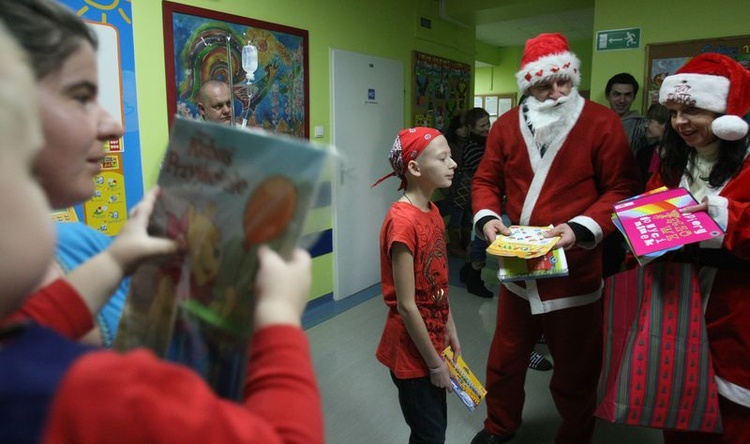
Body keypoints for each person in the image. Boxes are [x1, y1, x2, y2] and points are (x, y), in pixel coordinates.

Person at [0, 15, 323, 443]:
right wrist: (279, 316)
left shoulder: (17, 348)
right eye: (27, 175)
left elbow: (33, 324)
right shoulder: (92, 393)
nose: (112, 125)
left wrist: (117, 258)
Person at [470, 33, 641, 443]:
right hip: (519, 267)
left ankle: (577, 433)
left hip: (576, 270)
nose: (557, 93)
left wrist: (580, 228)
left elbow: (622, 188)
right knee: (505, 359)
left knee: (577, 367)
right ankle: (500, 426)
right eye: (545, 85)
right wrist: (489, 217)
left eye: (565, 81)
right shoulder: (507, 125)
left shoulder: (602, 123)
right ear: (527, 85)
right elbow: (486, 180)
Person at [647, 53, 750, 444]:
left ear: (726, 113)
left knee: (734, 415)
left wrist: (722, 217)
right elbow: (652, 206)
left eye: (693, 111)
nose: (679, 123)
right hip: (675, 303)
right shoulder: (674, 161)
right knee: (679, 404)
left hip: (735, 308)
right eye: (674, 112)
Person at [372, 127, 461, 443]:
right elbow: (407, 305)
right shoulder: (403, 222)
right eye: (443, 157)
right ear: (414, 167)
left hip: (433, 339)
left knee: (436, 427)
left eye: (450, 155)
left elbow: (438, 282)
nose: (453, 164)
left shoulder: (433, 211)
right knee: (429, 434)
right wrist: (435, 365)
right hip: (411, 352)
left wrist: (449, 328)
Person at [454, 107, 494, 298]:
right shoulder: (472, 146)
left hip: (478, 197)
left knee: (477, 235)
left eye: (488, 123)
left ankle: (467, 270)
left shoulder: (485, 142)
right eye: (482, 125)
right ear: (471, 127)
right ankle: (474, 278)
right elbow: (484, 173)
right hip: (475, 197)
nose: (487, 128)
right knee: (480, 237)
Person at [443, 113, 469, 257]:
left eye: (466, 127)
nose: (464, 130)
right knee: (456, 217)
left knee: (467, 216)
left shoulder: (470, 143)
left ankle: (465, 244)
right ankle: (455, 246)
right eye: (461, 127)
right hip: (455, 186)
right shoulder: (450, 145)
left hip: (468, 186)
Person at [606, 72, 649, 155]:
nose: (622, 100)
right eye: (617, 94)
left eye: (628, 95)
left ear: (634, 97)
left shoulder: (644, 125)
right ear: (608, 96)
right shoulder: (597, 124)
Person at [635, 102, 670, 184]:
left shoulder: (681, 154)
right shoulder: (643, 153)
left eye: (650, 121)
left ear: (664, 125)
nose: (646, 126)